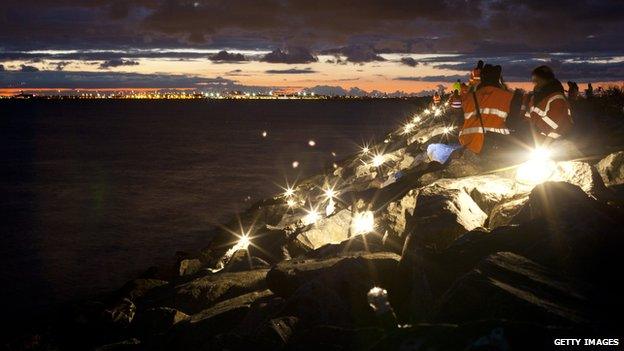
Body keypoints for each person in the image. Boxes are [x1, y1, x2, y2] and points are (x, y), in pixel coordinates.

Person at [459, 64, 513, 156]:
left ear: (482, 78)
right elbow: (513, 122)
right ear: (498, 79)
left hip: (470, 144)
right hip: (497, 145)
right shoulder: (509, 97)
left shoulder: (469, 97)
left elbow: (460, 120)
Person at [522, 65, 573, 144]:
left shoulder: (557, 97)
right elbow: (529, 117)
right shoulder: (534, 97)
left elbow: (554, 123)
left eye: (536, 79)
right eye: (533, 80)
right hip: (537, 141)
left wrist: (536, 131)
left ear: (545, 79)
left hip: (554, 143)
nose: (534, 82)